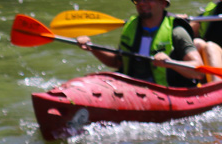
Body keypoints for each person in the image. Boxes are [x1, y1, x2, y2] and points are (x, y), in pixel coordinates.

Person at [76, 0, 205, 87]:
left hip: (167, 90)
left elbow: (198, 70)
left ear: (163, 3)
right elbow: (117, 62)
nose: (142, 3)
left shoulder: (177, 31)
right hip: (132, 88)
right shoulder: (131, 28)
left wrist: (171, 63)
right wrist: (92, 47)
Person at [181, 2, 222, 70]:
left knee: (211, 47)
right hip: (214, 55)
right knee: (197, 43)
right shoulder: (213, 7)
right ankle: (191, 78)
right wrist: (179, 22)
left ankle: (216, 79)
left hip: (213, 50)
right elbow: (193, 27)